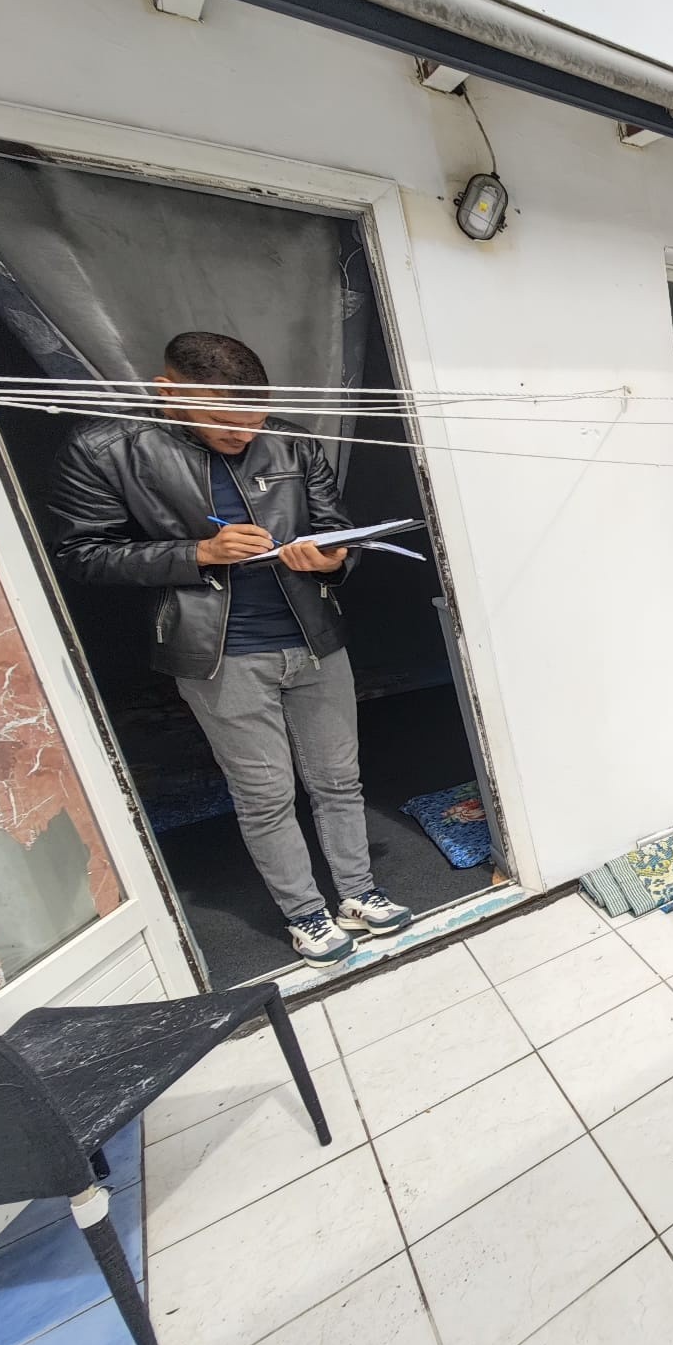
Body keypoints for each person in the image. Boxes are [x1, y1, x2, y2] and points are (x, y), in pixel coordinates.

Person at [48, 331, 412, 963]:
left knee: (337, 778)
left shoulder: (290, 437)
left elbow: (337, 532)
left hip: (315, 640)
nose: (244, 434)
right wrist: (197, 553)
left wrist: (327, 561)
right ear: (169, 393)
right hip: (222, 655)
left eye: (254, 420)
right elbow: (82, 556)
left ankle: (358, 892)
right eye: (225, 422)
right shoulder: (108, 449)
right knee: (265, 792)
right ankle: (305, 913)